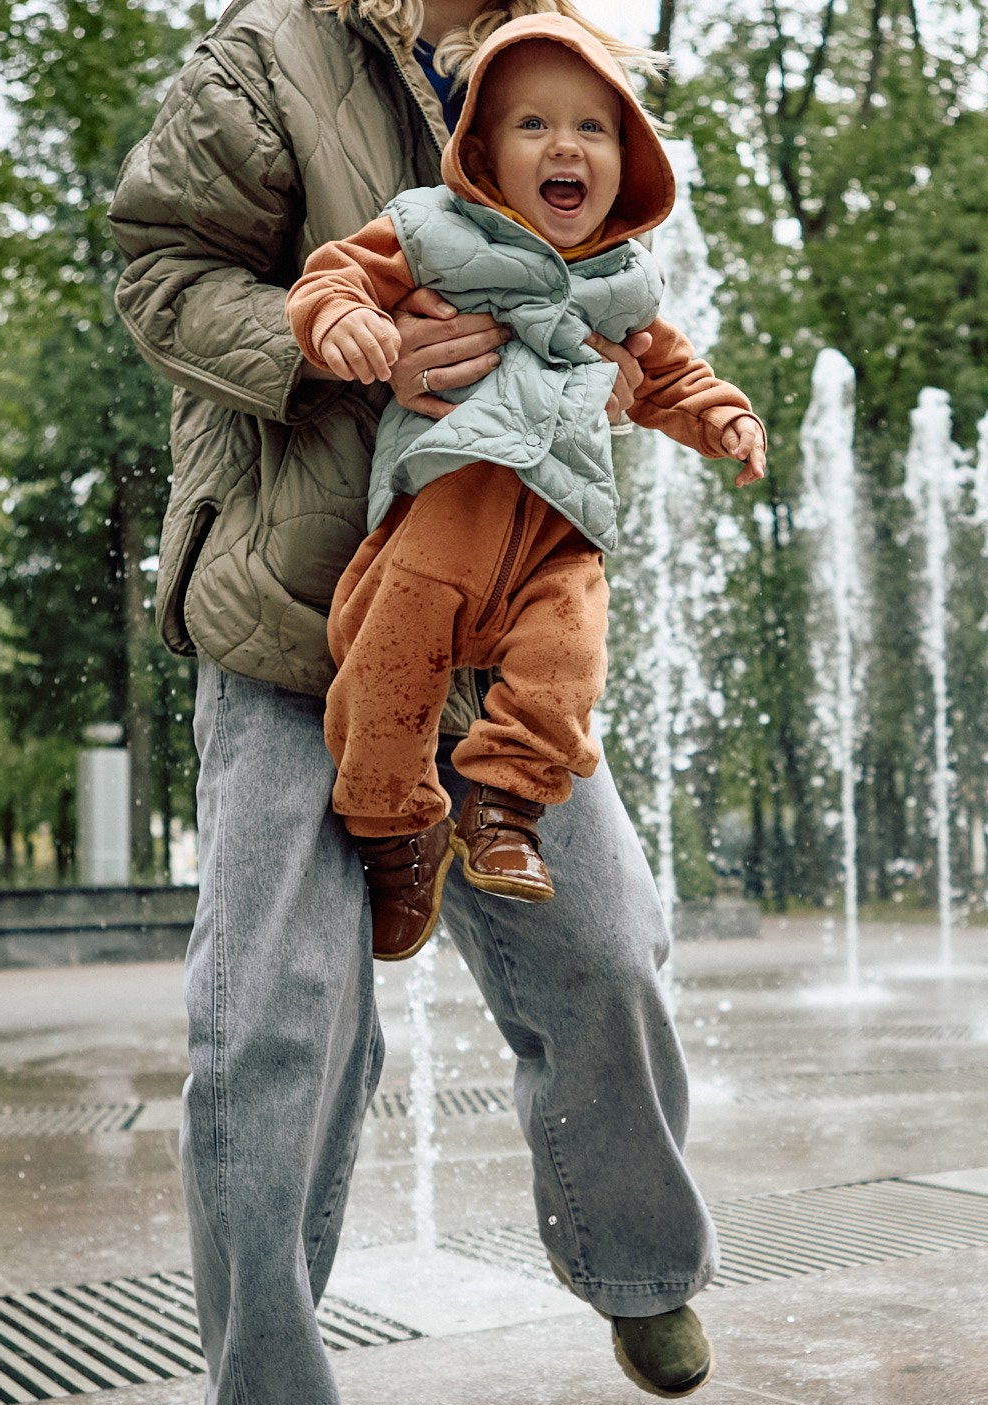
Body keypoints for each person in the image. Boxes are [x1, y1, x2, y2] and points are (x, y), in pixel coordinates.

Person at [111, 0, 719, 1405]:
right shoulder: (269, 59)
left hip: (490, 626)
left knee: (608, 950)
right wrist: (354, 349)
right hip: (293, 614)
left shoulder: (565, 70)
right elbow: (160, 275)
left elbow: (614, 314)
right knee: (277, 1017)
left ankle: (637, 1268)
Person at [288, 16, 765, 950]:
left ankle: (506, 811)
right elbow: (337, 275)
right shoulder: (433, 227)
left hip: (559, 534)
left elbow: (672, 373)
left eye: (594, 130)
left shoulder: (625, 281)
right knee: (384, 672)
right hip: (444, 520)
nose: (566, 146)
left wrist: (725, 418)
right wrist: (339, 320)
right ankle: (397, 835)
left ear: (628, 164)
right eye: (534, 125)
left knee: (570, 664)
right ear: (482, 151)